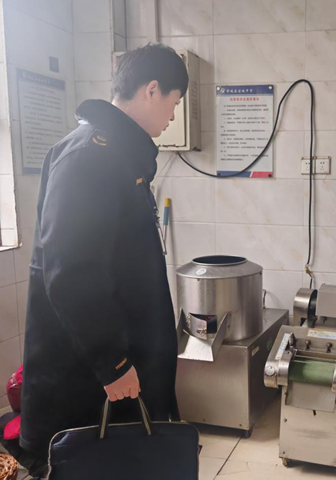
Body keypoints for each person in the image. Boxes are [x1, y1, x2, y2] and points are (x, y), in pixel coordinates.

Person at [20, 43, 188, 476]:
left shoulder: (117, 154)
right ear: (151, 90)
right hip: (89, 376)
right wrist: (112, 362)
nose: (172, 117)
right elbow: (73, 273)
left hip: (117, 363)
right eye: (173, 103)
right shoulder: (89, 157)